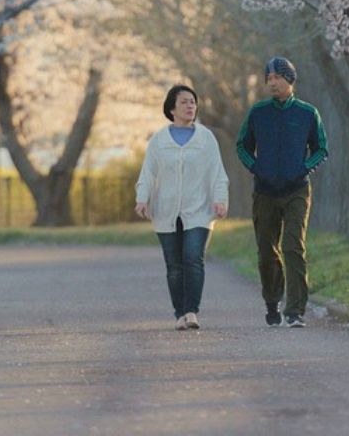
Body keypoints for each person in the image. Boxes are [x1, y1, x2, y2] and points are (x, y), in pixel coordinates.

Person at [236, 56, 328, 328]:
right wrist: (256, 168)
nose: (272, 82)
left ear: (289, 79)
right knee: (266, 250)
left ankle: (295, 310)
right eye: (269, 78)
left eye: (276, 77)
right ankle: (272, 300)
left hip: (296, 190)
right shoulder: (258, 113)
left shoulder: (307, 113)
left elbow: (321, 148)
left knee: (293, 246)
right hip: (265, 191)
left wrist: (304, 168)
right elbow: (242, 145)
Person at [135, 84, 229, 330]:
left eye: (193, 102)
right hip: (165, 211)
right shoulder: (159, 140)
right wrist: (141, 198)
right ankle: (179, 313)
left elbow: (218, 172)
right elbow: (148, 173)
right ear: (172, 108)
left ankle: (192, 312)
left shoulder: (205, 137)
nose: (190, 106)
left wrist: (220, 199)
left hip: (199, 209)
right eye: (185, 102)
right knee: (174, 265)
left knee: (193, 258)